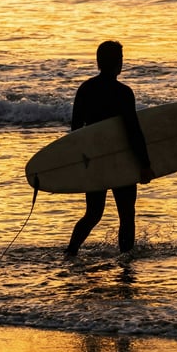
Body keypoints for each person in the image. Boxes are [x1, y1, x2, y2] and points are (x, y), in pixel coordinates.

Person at [65, 41, 154, 257]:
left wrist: (80, 161)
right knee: (126, 214)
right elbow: (133, 131)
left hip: (95, 159)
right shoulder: (123, 92)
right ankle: (126, 261)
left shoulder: (85, 89)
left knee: (93, 213)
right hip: (121, 159)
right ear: (119, 63)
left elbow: (75, 130)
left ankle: (71, 252)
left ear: (98, 62)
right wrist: (144, 165)